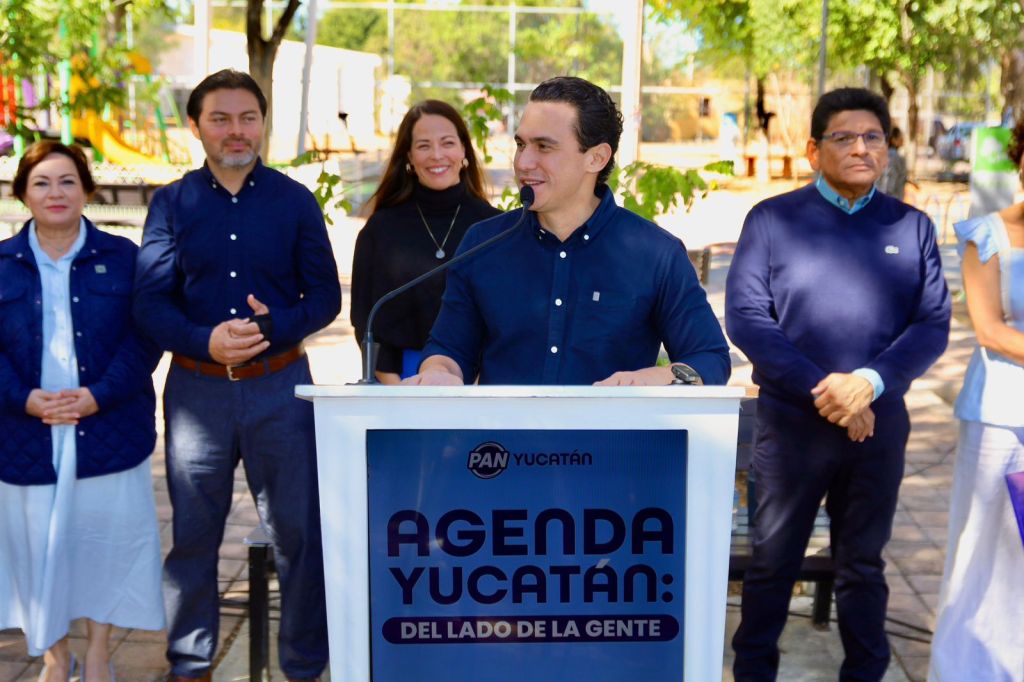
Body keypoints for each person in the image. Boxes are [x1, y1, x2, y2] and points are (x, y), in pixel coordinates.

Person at [726, 88, 951, 681]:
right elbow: (748, 318)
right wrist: (830, 391)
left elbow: (931, 324)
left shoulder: (913, 226)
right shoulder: (773, 220)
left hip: (877, 427)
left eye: (872, 137)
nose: (860, 148)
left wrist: (870, 385)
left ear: (886, 148)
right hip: (793, 426)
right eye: (844, 137)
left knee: (863, 568)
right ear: (813, 149)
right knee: (773, 565)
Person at [133, 70, 340, 682]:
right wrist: (207, 340)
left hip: (282, 387)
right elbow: (149, 302)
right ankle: (189, 664)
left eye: (247, 117)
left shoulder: (294, 200)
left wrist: (274, 326)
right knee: (195, 537)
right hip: (198, 392)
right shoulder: (172, 203)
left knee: (298, 535)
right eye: (220, 118)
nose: (236, 130)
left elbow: (325, 295)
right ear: (195, 126)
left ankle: (304, 665)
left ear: (262, 123)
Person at [402, 76, 730, 387]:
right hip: (501, 446)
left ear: (597, 158)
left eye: (544, 147)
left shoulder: (656, 253)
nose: (523, 162)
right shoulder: (482, 243)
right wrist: (438, 373)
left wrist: (653, 379)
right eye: (520, 144)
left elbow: (710, 359)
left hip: (613, 445)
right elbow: (448, 350)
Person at [0, 142, 163, 682]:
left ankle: (96, 656)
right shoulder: (1, 263)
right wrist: (23, 398)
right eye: (42, 182)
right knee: (37, 549)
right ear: (22, 192)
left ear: (87, 190)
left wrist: (99, 394)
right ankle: (54, 655)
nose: (55, 193)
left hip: (106, 423)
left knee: (105, 545)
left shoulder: (123, 257)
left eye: (67, 181)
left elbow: (145, 340)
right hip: (26, 427)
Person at [929, 115, 1024, 681]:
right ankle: (964, 670)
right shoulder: (988, 233)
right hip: (999, 416)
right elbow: (989, 329)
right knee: (979, 549)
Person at [350, 100, 500, 382]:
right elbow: (365, 319)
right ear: (408, 156)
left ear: (464, 150)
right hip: (400, 383)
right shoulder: (380, 230)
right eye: (423, 146)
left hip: (481, 383)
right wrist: (401, 395)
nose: (436, 155)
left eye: (447, 143)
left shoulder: (496, 228)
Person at [877, 126, 917, 201]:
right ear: (893, 140)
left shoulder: (883, 155)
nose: (902, 140)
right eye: (900, 137)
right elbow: (890, 178)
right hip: (892, 198)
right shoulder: (896, 157)